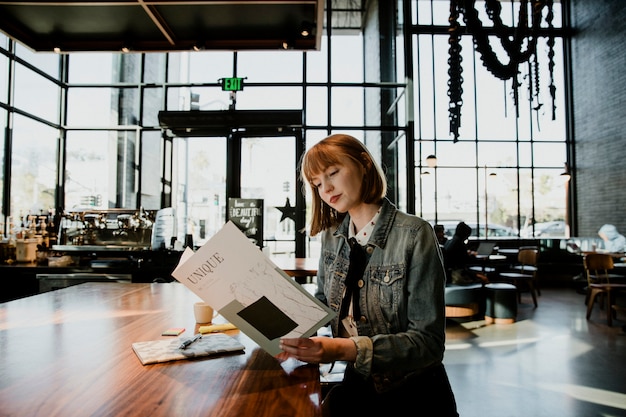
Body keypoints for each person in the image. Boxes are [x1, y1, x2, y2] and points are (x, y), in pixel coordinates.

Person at [279, 134, 458, 417]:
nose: (325, 189)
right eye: (316, 183)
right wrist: (282, 328)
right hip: (357, 384)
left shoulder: (414, 234)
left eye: (333, 173)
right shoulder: (332, 238)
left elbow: (428, 344)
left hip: (414, 395)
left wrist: (341, 349)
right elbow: (323, 305)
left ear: (363, 163)